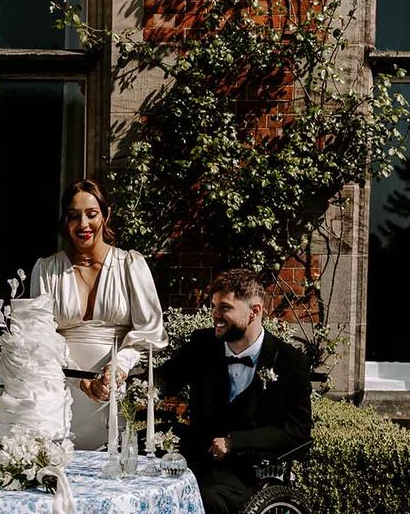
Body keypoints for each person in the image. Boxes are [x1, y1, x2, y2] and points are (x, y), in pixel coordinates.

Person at [155, 269, 312, 514]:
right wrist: (125, 384)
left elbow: (297, 432)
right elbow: (164, 380)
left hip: (250, 472)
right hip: (195, 460)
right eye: (214, 306)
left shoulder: (289, 361)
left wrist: (235, 442)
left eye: (225, 308)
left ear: (255, 312)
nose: (215, 315)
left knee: (206, 496)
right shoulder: (202, 344)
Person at [30, 178, 167, 450]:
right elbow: (38, 338)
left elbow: (149, 333)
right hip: (61, 393)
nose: (83, 225)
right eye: (73, 216)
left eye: (91, 214)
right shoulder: (46, 271)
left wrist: (118, 368)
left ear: (105, 215)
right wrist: (80, 381)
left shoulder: (130, 265)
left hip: (112, 391)